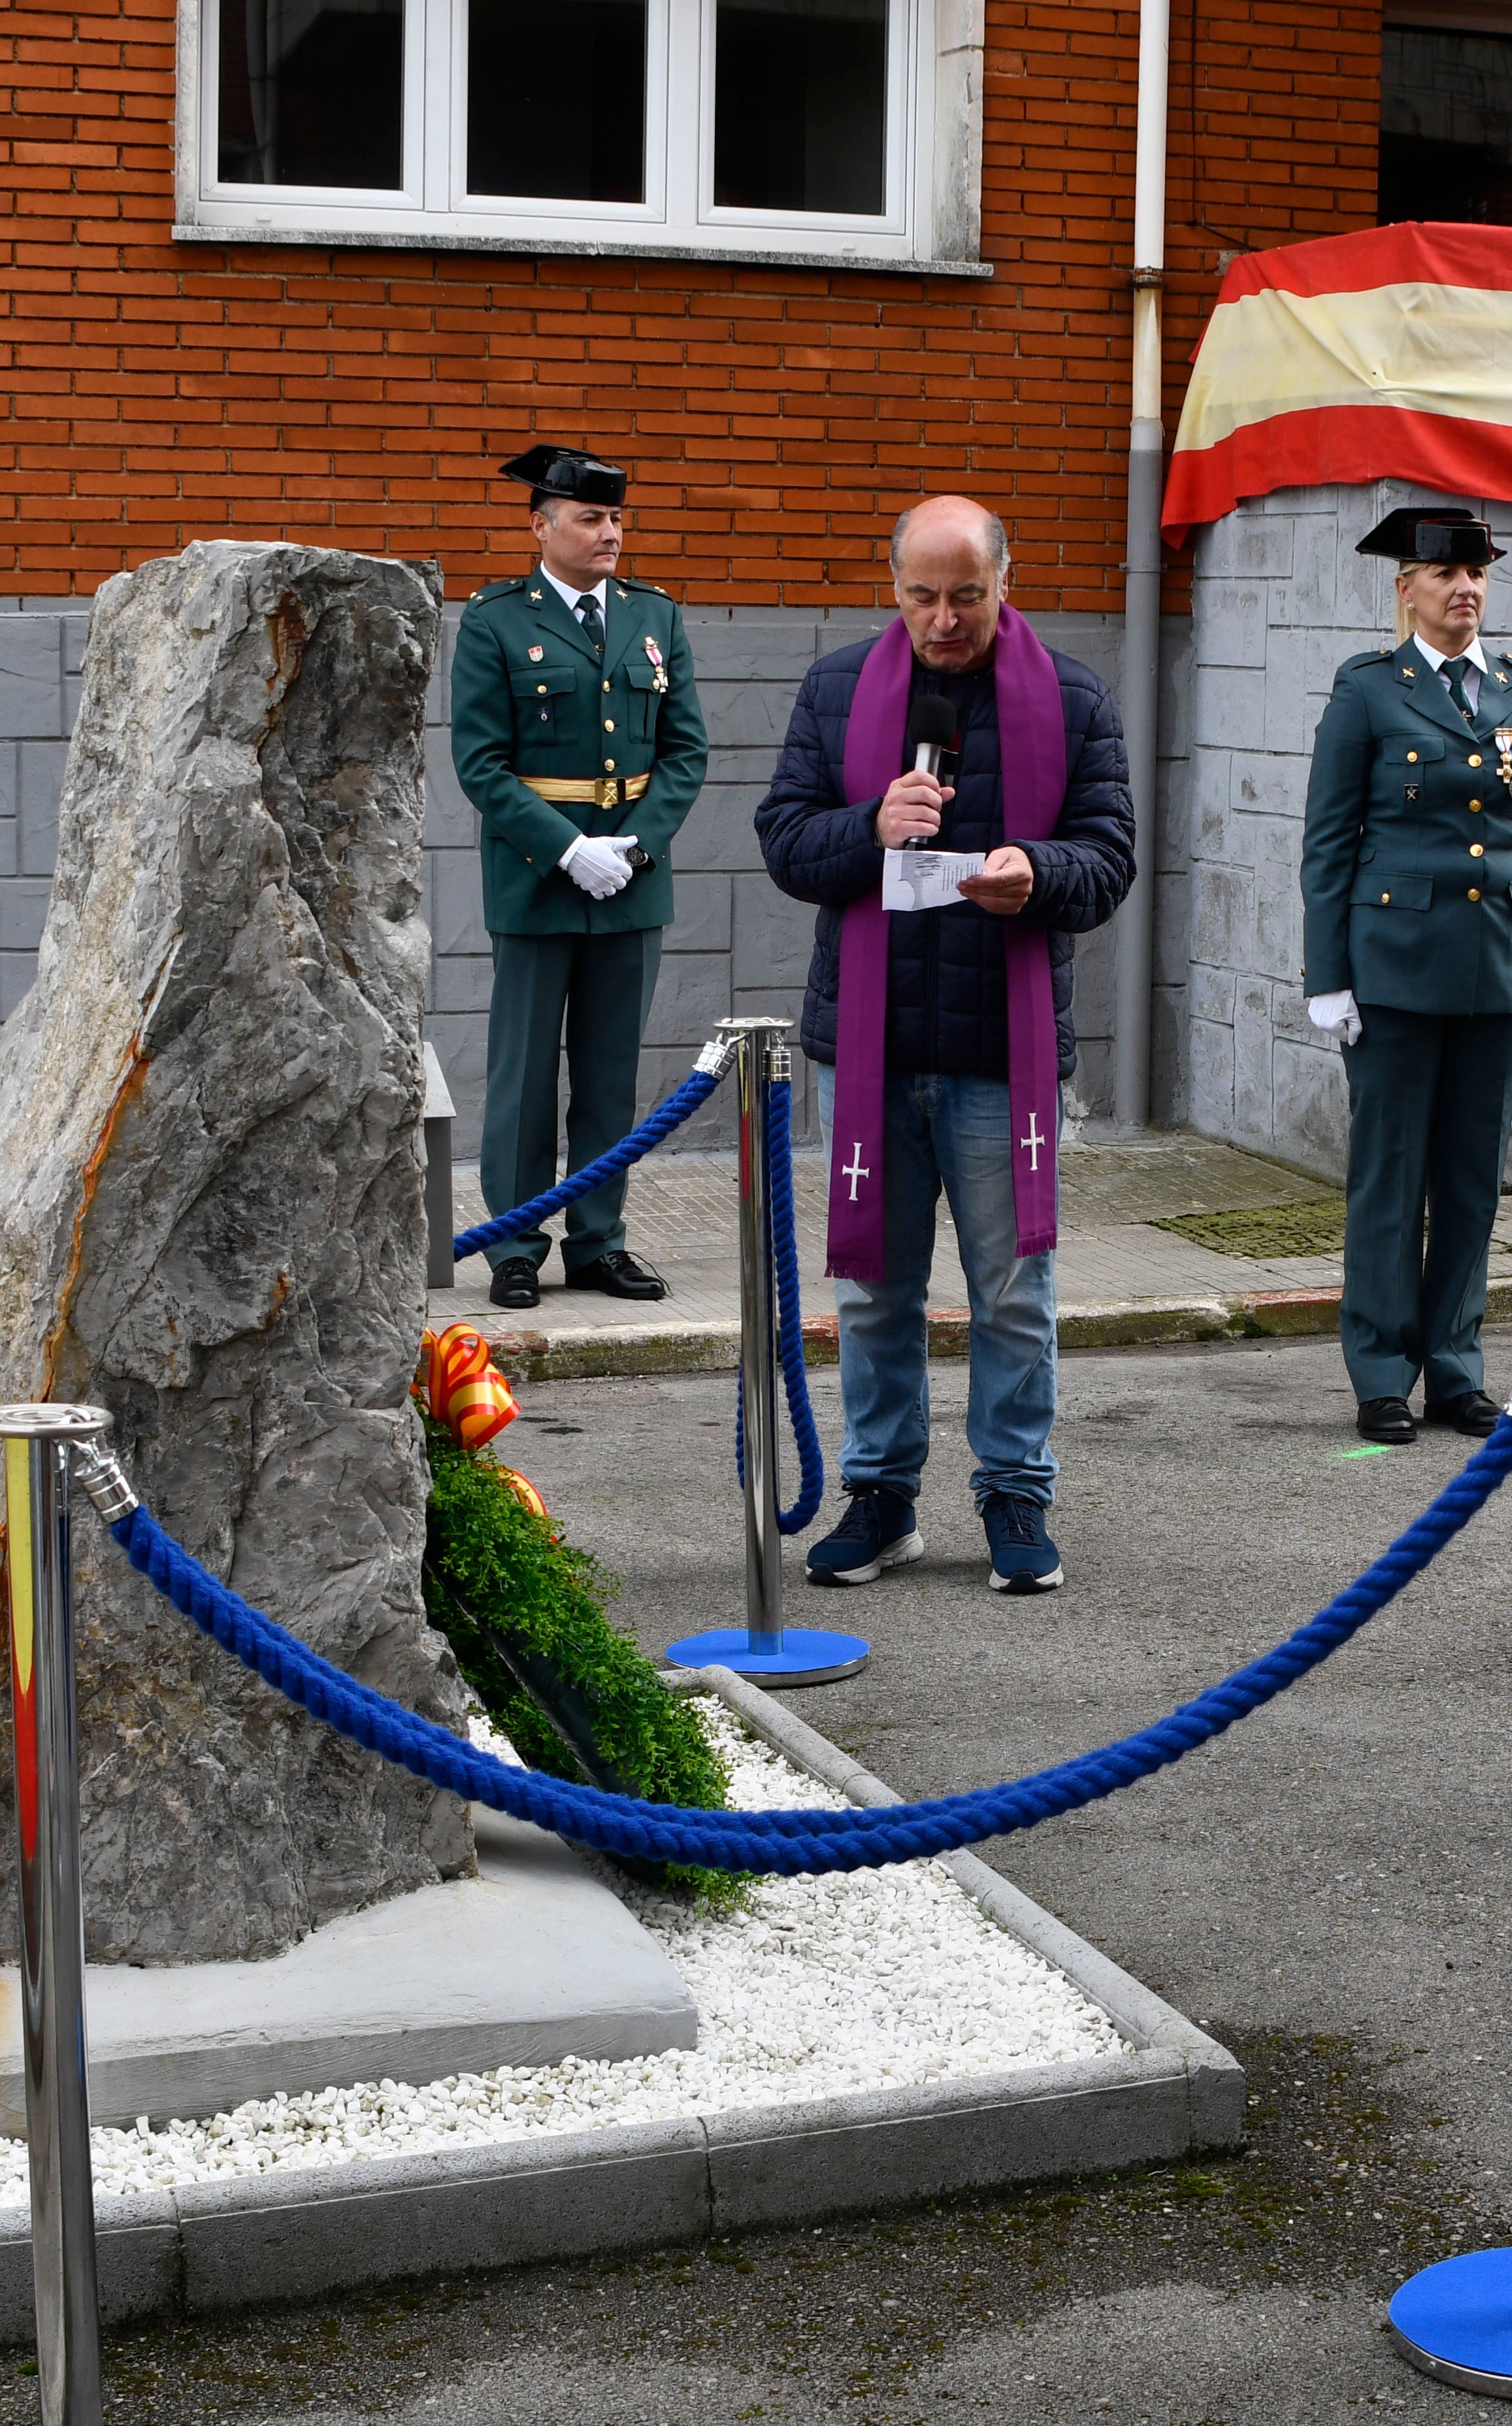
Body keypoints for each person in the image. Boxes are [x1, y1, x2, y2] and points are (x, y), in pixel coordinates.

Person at [752, 499, 1136, 1595]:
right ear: (893, 590)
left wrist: (1035, 875)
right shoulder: (836, 689)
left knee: (1013, 1285)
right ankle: (881, 1495)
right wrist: (868, 823)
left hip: (999, 1051)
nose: (944, 619)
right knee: (874, 1287)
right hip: (866, 1045)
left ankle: (1015, 1493)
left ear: (1003, 582)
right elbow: (784, 840)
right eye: (922, 596)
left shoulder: (1070, 696)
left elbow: (1106, 858)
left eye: (966, 594)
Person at [1300, 508, 1512, 1445]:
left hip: (1500, 967)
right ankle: (1382, 1371)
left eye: (1478, 573)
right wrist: (1327, 975)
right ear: (1406, 588)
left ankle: (1455, 1369)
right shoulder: (1370, 692)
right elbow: (1330, 843)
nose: (1466, 588)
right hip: (1394, 973)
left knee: (1470, 1180)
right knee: (1389, 1176)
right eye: (1447, 573)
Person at [452, 443, 708, 1312]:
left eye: (617, 518)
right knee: (524, 1078)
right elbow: (481, 764)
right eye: (592, 518)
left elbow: (684, 751)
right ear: (542, 525)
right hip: (537, 880)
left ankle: (599, 1240)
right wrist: (568, 849)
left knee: (609, 1075)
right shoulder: (496, 621)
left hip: (632, 881)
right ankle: (516, 1245)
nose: (610, 533)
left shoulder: (654, 617)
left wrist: (634, 847)